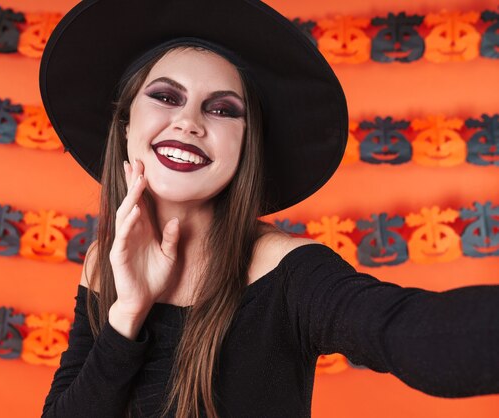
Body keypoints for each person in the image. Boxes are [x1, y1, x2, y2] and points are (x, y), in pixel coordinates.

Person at [39, 0, 499, 417]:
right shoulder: (104, 264)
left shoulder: (291, 272)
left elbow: (407, 331)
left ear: (246, 146)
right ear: (124, 125)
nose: (188, 122)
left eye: (221, 110)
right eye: (165, 97)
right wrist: (127, 317)